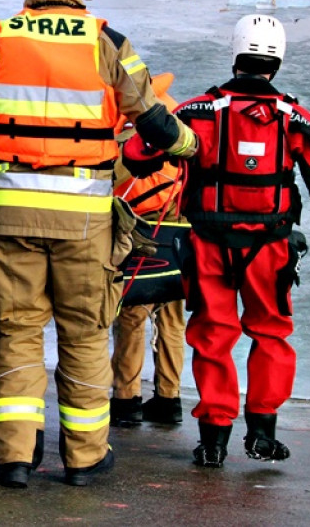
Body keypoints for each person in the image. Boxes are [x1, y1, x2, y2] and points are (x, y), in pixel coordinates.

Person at [0, 0, 197, 489]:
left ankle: (15, 457)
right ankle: (84, 459)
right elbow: (153, 121)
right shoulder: (109, 45)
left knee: (18, 331)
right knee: (84, 335)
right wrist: (190, 148)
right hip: (86, 222)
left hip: (13, 218)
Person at [124, 14, 310, 468]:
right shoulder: (294, 116)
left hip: (208, 244)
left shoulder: (195, 112)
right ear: (278, 60)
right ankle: (263, 435)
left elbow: (137, 157)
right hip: (270, 247)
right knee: (270, 334)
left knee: (213, 338)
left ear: (235, 53)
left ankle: (213, 442)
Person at [110, 74, 187, 427]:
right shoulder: (177, 116)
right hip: (179, 227)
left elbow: (111, 177)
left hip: (139, 230)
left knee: (132, 315)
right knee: (171, 317)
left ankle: (127, 400)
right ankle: (169, 400)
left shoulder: (127, 126)